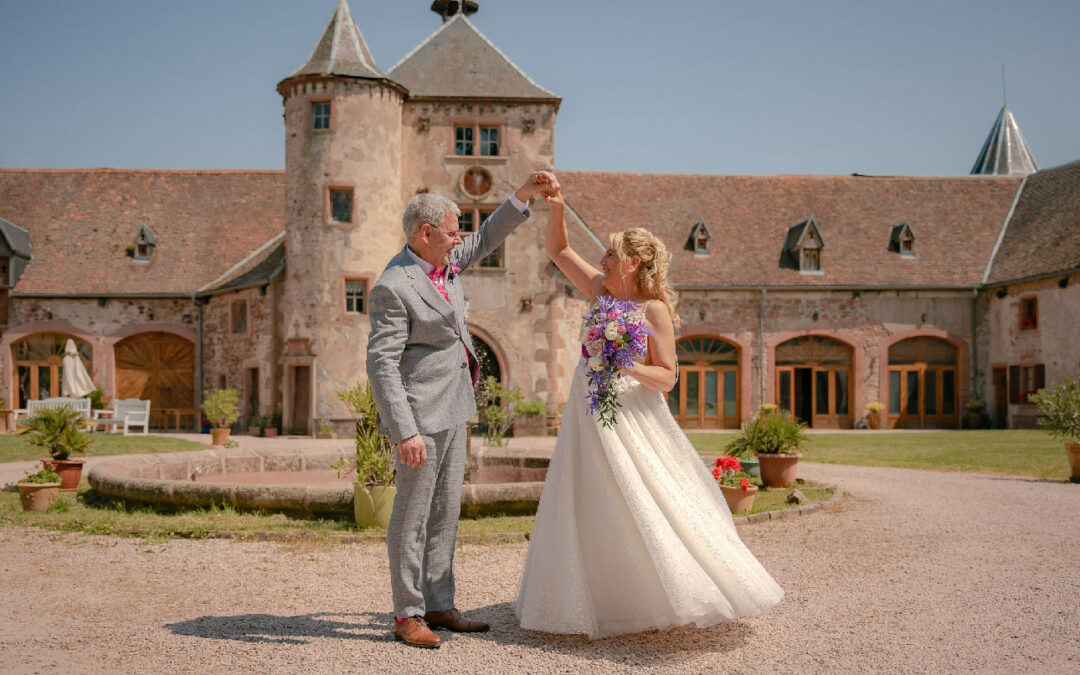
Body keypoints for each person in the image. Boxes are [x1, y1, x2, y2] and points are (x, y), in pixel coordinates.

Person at [514, 182, 784, 639]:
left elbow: (668, 377)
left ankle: (666, 590)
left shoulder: (654, 309)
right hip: (588, 410)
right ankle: (595, 598)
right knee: (585, 496)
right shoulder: (601, 292)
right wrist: (556, 208)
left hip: (629, 416)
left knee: (641, 497)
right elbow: (559, 251)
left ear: (633, 261)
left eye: (609, 256)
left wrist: (628, 365)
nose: (602, 263)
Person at [367, 170, 559, 649]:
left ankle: (439, 604)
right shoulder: (394, 285)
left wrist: (524, 195)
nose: (460, 238)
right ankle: (408, 614)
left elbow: (489, 234)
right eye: (453, 230)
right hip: (419, 418)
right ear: (425, 232)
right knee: (410, 517)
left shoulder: (445, 263)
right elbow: (382, 365)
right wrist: (404, 431)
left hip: (455, 406)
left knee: (446, 512)